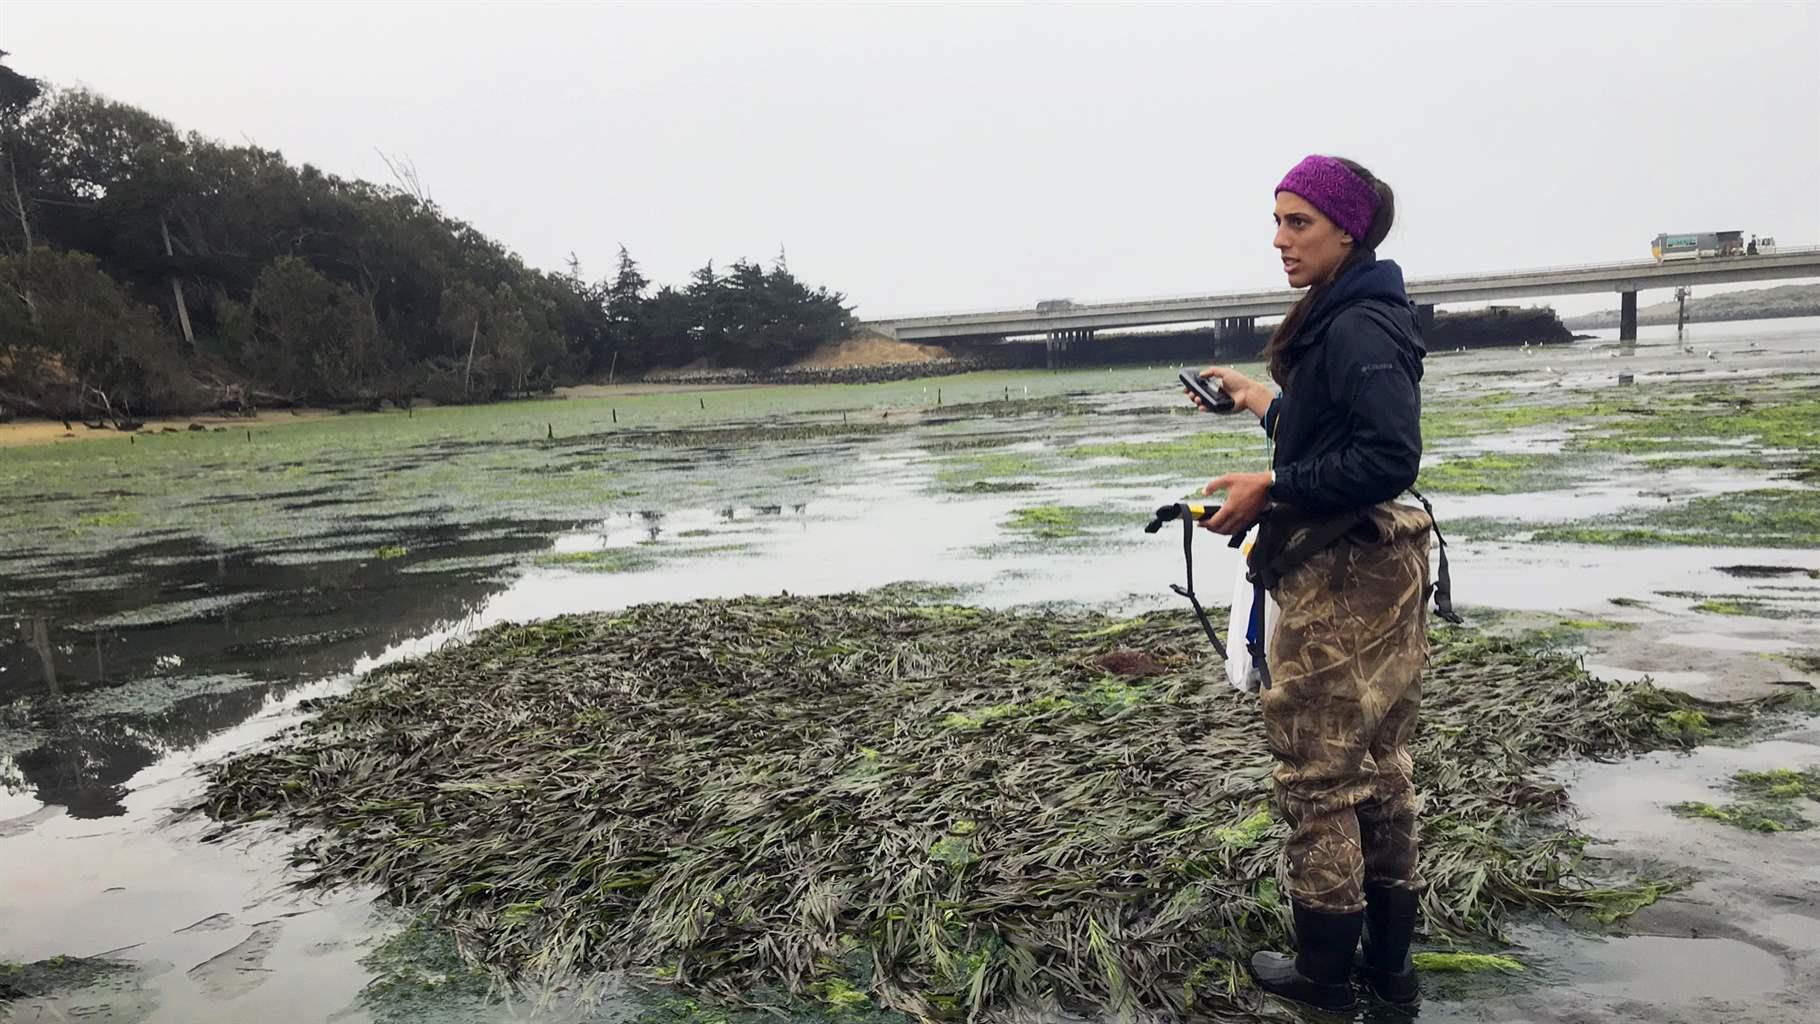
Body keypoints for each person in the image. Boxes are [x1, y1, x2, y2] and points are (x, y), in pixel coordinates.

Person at [1186, 155, 1432, 1013]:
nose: (1282, 240)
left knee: (1319, 775)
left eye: (1301, 223)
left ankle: (1326, 978)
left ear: (1347, 230)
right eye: (1279, 220)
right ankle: (1390, 968)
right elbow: (1331, 430)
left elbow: (1389, 456)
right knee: (1380, 763)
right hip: (1380, 566)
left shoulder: (1359, 324)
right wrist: (1258, 396)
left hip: (1351, 575)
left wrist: (1272, 489)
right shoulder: (1352, 313)